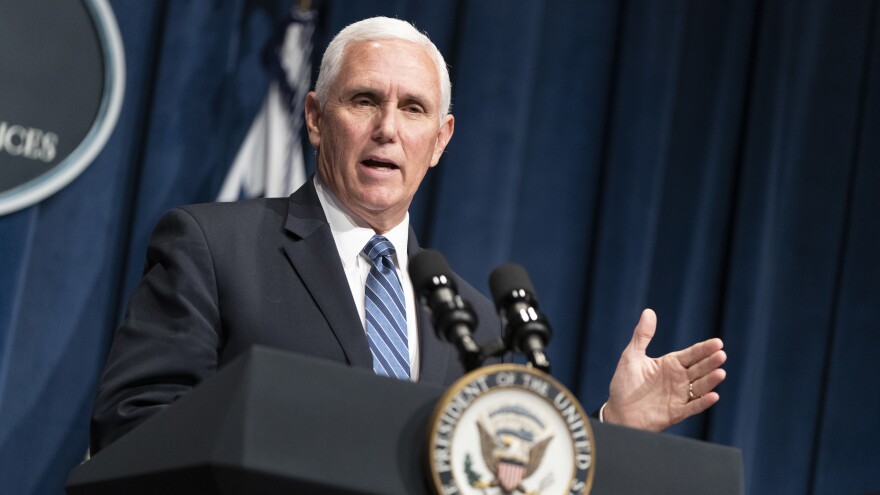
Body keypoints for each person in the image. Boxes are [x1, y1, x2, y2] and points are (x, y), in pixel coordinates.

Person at [90, 16, 726, 452]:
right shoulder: (214, 245)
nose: (387, 129)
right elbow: (133, 425)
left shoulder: (474, 321)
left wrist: (613, 426)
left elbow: (494, 469)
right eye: (364, 100)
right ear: (315, 117)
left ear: (440, 140)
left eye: (413, 109)